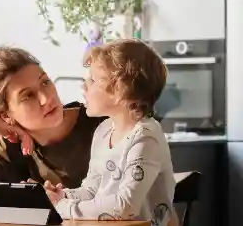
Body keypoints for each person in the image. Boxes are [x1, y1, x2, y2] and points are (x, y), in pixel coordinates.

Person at [0, 46, 106, 213]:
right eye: (28, 95)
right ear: (5, 116)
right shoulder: (6, 149)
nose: (46, 98)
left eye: (45, 82)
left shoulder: (103, 121)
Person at [44, 39, 175, 225]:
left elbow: (125, 206)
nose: (85, 85)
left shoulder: (145, 136)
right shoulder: (104, 131)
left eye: (93, 80)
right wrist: (62, 195)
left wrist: (64, 206)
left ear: (120, 92)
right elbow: (91, 191)